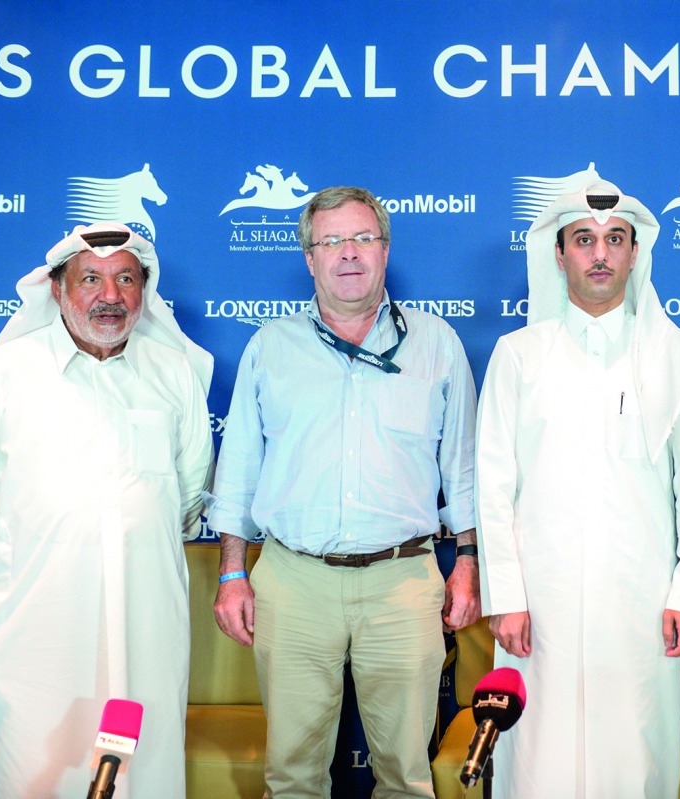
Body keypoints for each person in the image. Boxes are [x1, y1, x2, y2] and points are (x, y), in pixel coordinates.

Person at [207, 186, 480, 798]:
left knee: (407, 776)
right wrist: (231, 573)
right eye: (331, 241)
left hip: (404, 581)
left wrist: (466, 564)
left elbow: (461, 468)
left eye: (362, 238)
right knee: (293, 774)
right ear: (310, 258)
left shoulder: (436, 344)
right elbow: (240, 468)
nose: (348, 254)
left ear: (385, 250)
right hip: (293, 580)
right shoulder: (269, 347)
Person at [0, 222, 215, 798]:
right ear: (58, 291)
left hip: (145, 614)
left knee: (143, 772)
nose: (110, 295)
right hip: (32, 625)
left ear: (143, 293)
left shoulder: (174, 374)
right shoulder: (5, 372)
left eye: (125, 279)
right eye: (90, 278)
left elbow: (192, 485)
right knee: (30, 764)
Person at [476, 178, 680, 797]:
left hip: (642, 603)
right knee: (538, 759)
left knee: (632, 758)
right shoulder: (518, 354)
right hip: (538, 603)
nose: (600, 254)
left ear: (636, 253)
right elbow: (495, 486)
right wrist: (506, 594)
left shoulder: (676, 357)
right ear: (559, 255)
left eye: (615, 240)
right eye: (584, 240)